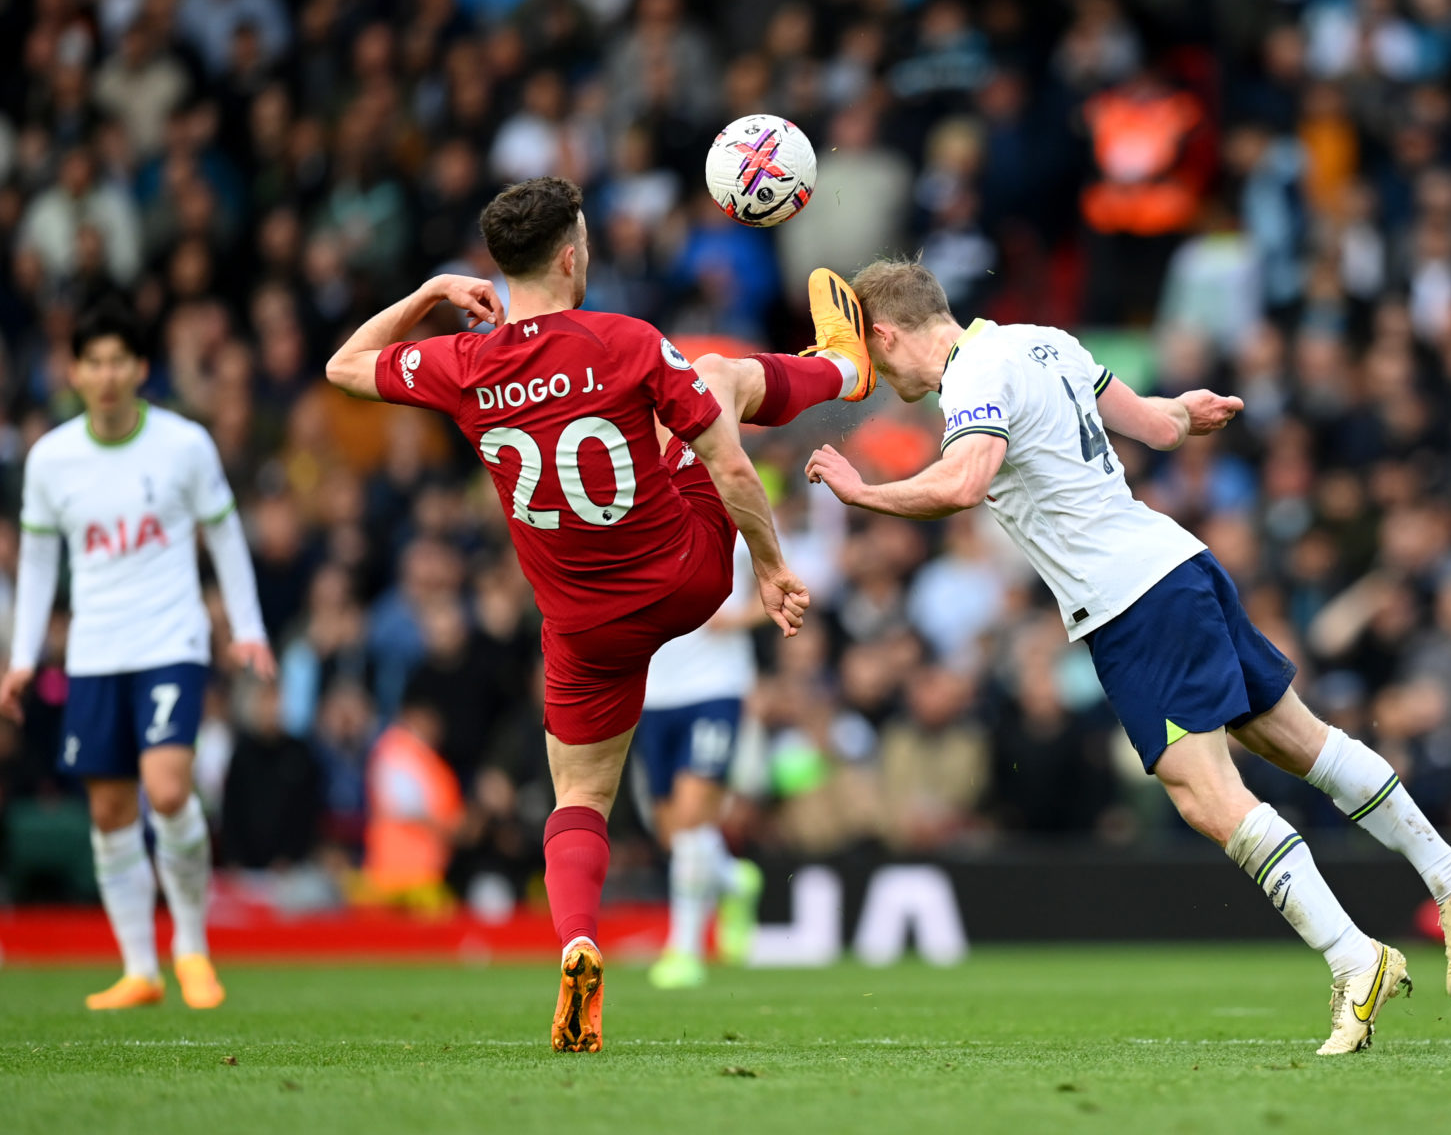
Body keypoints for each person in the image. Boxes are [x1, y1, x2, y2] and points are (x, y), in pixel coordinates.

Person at [803, 259, 1451, 1056]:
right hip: (1179, 563)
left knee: (1207, 798)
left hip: (1132, 600)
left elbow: (964, 483)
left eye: (869, 353)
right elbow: (1157, 425)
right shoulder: (1042, 342)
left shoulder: (972, 381)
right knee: (1298, 742)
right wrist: (1188, 409)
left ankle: (1356, 959)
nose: (870, 371)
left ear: (887, 333)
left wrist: (866, 494)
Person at [324, 175, 872, 1052]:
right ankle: (845, 366)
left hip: (581, 622)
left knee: (580, 795)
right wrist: (769, 569)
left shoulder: (465, 363)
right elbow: (731, 470)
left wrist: (430, 292)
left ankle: (577, 938)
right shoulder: (625, 340)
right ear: (573, 255)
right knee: (720, 379)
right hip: (683, 575)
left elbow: (342, 367)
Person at [1, 298, 276, 1011]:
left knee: (167, 789)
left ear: (141, 368)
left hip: (170, 639)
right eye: (93, 362)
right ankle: (139, 969)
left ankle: (190, 946)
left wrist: (248, 628)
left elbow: (224, 533)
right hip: (95, 648)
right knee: (111, 808)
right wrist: (22, 656)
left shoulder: (184, 445)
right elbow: (35, 563)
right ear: (74, 372)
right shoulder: (52, 459)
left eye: (119, 359)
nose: (106, 374)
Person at [639, 537, 766, 990]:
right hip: (651, 692)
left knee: (692, 817)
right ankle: (734, 880)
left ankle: (685, 949)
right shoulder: (634, 504)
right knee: (673, 834)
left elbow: (789, 585)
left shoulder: (735, 509)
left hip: (716, 687)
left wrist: (737, 617)